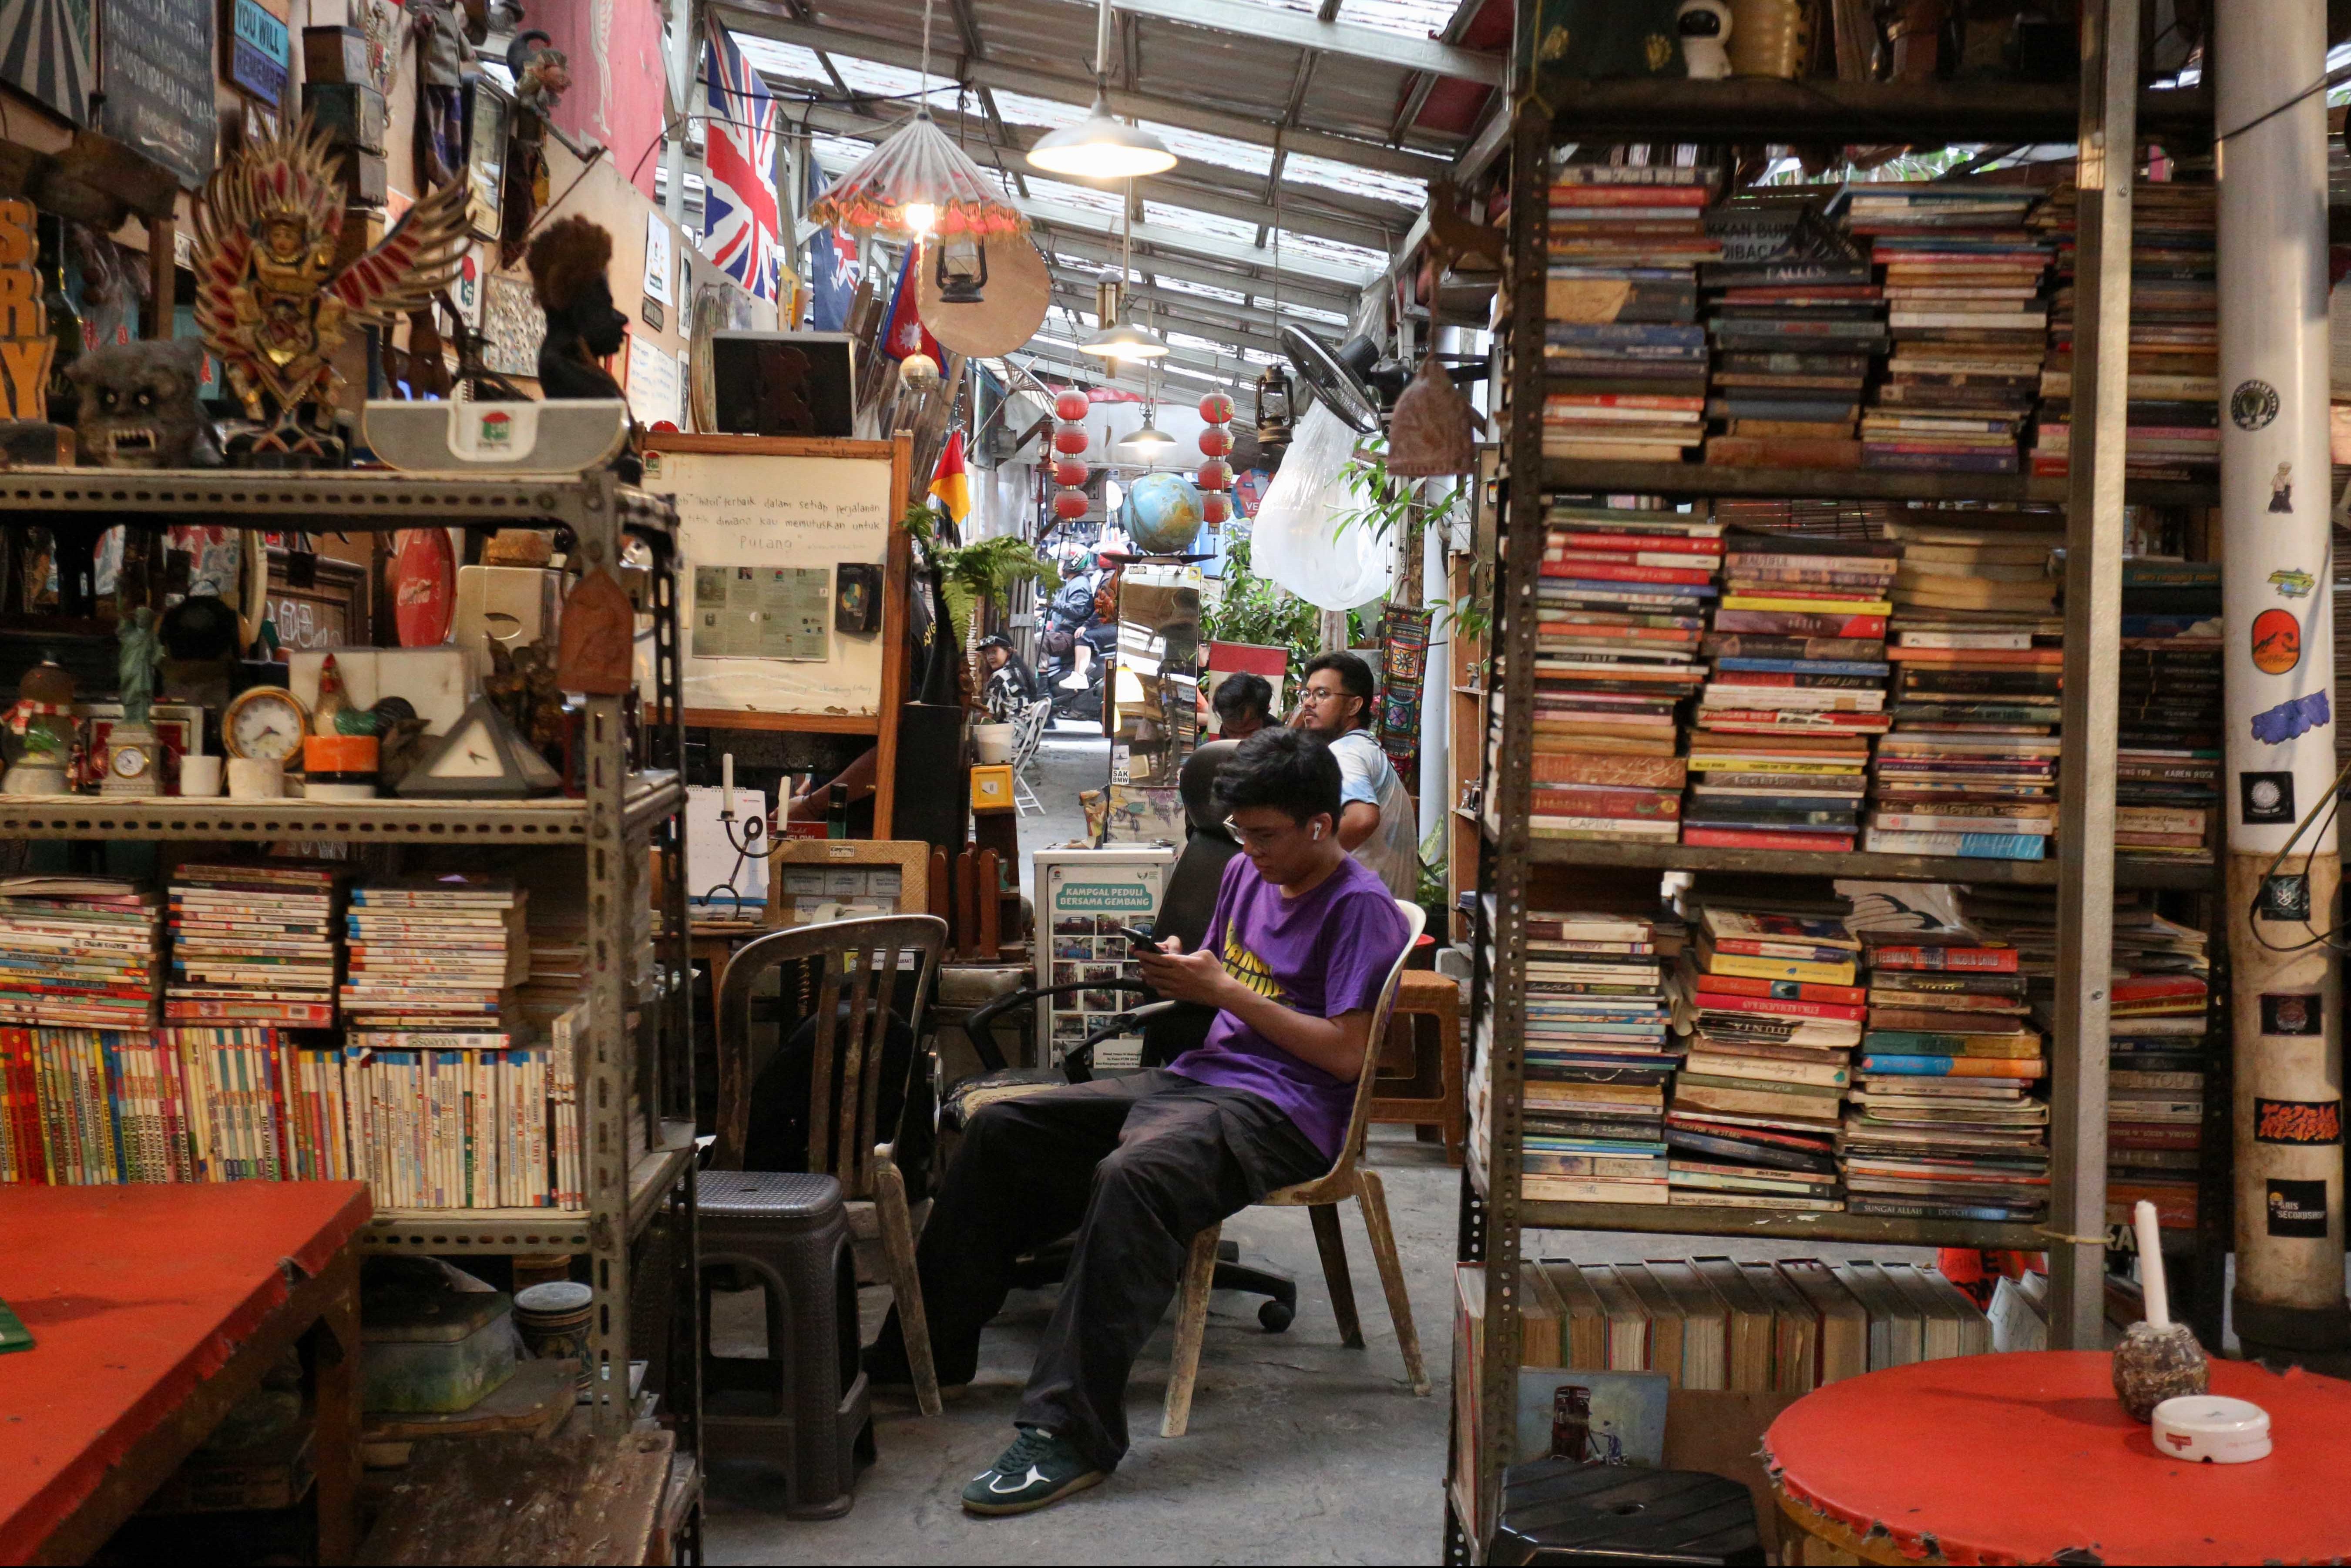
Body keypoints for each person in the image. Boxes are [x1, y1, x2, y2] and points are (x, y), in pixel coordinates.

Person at [867, 728, 1411, 1516]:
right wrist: (1183, 972)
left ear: (1320, 826)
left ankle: (1069, 1432)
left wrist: (1223, 992)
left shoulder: (1357, 908)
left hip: (1286, 1111)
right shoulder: (1243, 873)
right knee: (1003, 1128)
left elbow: (1345, 1057)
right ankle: (926, 1351)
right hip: (1204, 1080)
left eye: (1264, 835)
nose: (1248, 850)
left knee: (1137, 1174)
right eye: (1240, 833)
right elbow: (1222, 983)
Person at [1291, 651, 1419, 899]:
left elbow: (1362, 819)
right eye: (1307, 694)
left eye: (1322, 694)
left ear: (1354, 706)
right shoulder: (1365, 749)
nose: (1308, 703)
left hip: (1362, 916)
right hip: (1384, 914)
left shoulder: (1346, 753)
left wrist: (1301, 862)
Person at [977, 633, 1040, 721]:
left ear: (1009, 652)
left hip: (1010, 731)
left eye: (994, 652)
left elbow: (987, 714)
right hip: (1029, 729)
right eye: (987, 654)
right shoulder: (1021, 671)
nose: (990, 657)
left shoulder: (999, 677)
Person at [1210, 671, 1276, 739]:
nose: (1239, 739)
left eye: (1249, 731)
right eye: (1232, 731)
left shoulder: (1280, 743)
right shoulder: (1223, 736)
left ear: (1267, 711)